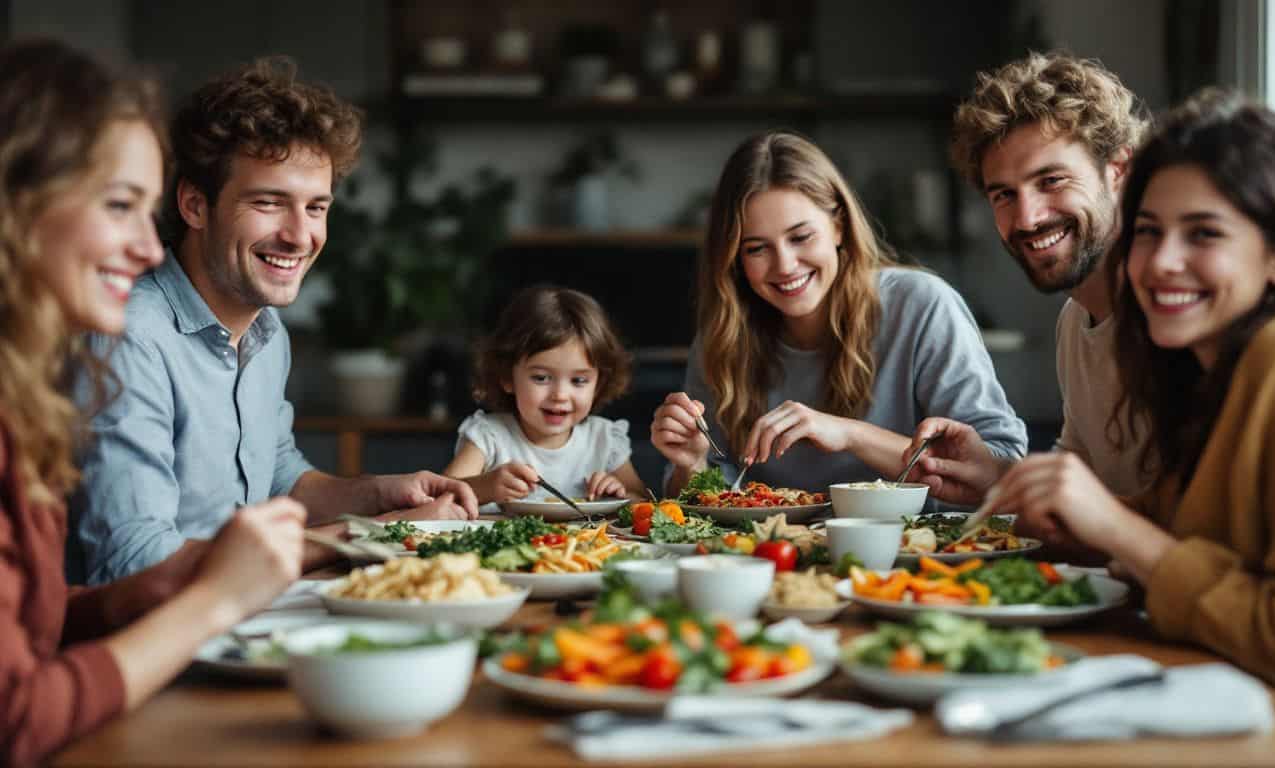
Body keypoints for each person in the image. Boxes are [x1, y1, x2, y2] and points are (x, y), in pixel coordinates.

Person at [988, 90, 1275, 723]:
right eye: (1149, 233)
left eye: (1203, 234)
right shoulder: (1205, 370)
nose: (1162, 263)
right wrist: (1067, 517)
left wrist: (1118, 530)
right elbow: (1180, 535)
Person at [0, 40, 307, 765]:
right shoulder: (121, 345)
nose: (147, 248)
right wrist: (214, 603)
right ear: (17, 207)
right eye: (119, 207)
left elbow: (28, 634)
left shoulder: (22, 401)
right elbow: (14, 722)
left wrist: (153, 590)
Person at [68, 57, 477, 585]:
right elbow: (133, 564)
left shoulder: (265, 331)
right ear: (195, 204)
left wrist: (380, 493)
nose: (299, 235)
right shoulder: (128, 339)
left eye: (315, 207)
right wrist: (373, 533)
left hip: (250, 615)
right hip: (161, 646)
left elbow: (279, 479)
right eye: (269, 202)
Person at [651, 131, 1026, 497]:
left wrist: (850, 435)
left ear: (839, 226)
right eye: (756, 249)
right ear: (734, 257)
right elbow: (707, 498)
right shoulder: (723, 336)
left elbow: (1000, 466)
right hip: (766, 556)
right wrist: (692, 465)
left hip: (918, 552)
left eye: (800, 237)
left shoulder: (922, 306)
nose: (785, 266)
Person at [904, 52, 1154, 508]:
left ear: (1118, 171)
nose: (1028, 217)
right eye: (1004, 195)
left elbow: (1195, 516)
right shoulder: (1076, 321)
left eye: (1052, 180)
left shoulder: (1173, 315)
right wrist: (994, 475)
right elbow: (1082, 483)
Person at [445, 285, 645, 503]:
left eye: (578, 380)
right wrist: (485, 487)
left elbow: (642, 501)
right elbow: (440, 496)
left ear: (598, 384)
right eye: (541, 378)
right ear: (507, 377)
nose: (560, 395)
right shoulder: (489, 437)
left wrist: (618, 494)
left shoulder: (603, 440)